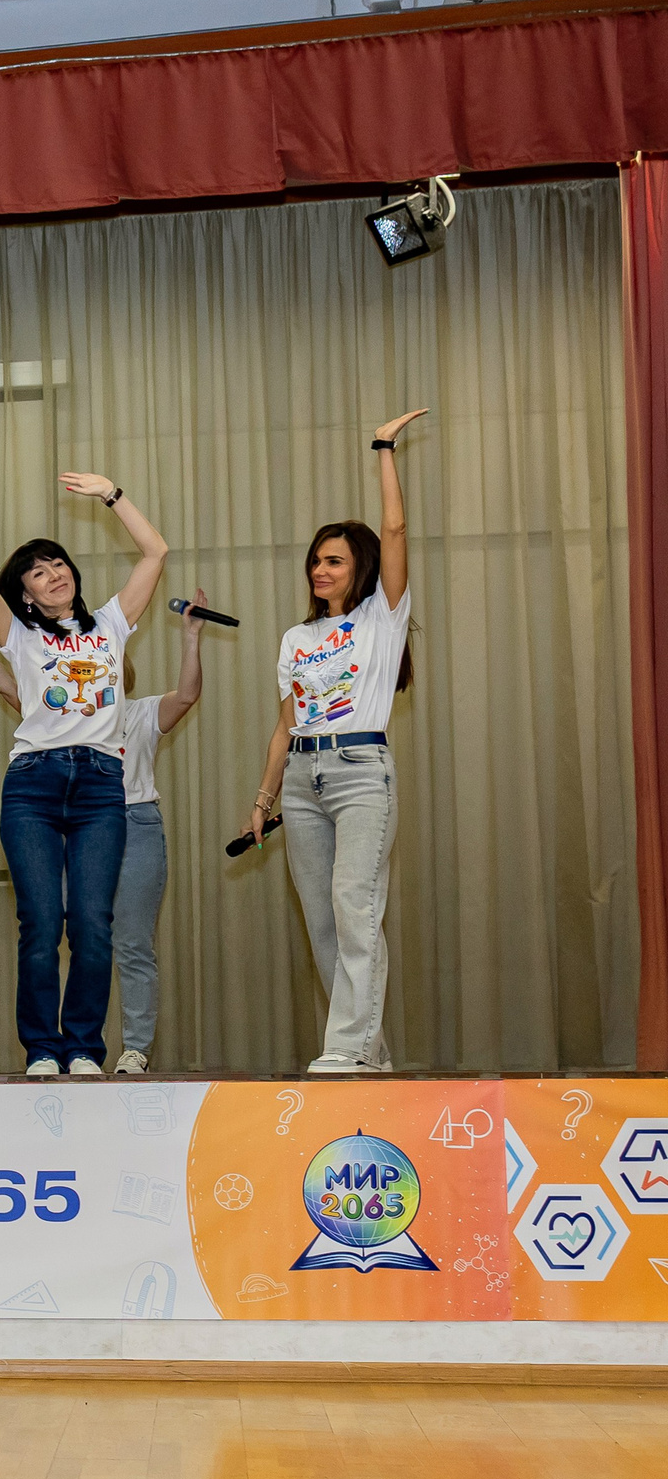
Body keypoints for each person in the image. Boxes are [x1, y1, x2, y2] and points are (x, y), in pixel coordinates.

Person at [0, 471, 169, 1077]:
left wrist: (113, 495)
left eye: (59, 564)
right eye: (39, 572)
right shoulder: (20, 635)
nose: (55, 574)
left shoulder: (110, 624)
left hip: (103, 785)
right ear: (24, 595)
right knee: (42, 923)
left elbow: (155, 553)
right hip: (34, 785)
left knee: (93, 927)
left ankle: (83, 1048)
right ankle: (42, 1049)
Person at [0, 589, 211, 1074]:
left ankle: (134, 1049)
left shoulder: (140, 714)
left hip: (133, 824)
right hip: (73, 827)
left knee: (128, 940)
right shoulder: (56, 717)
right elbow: (14, 687)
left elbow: (188, 695)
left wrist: (191, 638)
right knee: (57, 928)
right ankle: (52, 1048)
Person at [242, 410, 426, 1074]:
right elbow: (286, 722)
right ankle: (369, 1054)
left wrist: (383, 447)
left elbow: (397, 527)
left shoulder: (383, 616)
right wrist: (264, 798)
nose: (320, 568)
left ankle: (346, 1045)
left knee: (356, 905)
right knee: (322, 920)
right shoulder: (296, 638)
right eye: (315, 560)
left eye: (334, 559)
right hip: (302, 776)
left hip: (359, 770)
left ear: (362, 568)